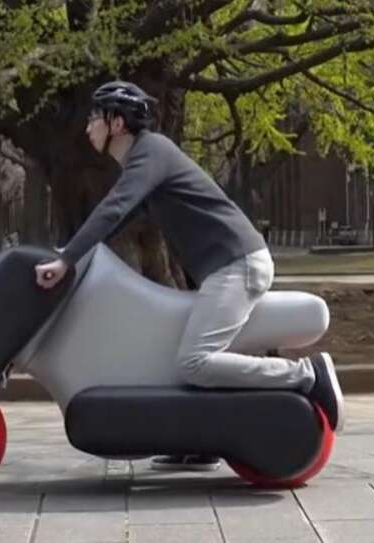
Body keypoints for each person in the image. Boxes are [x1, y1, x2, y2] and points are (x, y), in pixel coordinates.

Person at [34, 81, 344, 472]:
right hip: (225, 267)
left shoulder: (151, 151)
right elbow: (121, 219)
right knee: (173, 356)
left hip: (238, 264)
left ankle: (306, 374)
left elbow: (115, 208)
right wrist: (71, 254)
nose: (87, 126)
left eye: (94, 116)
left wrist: (68, 259)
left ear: (117, 123)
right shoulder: (143, 161)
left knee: (194, 362)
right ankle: (199, 441)